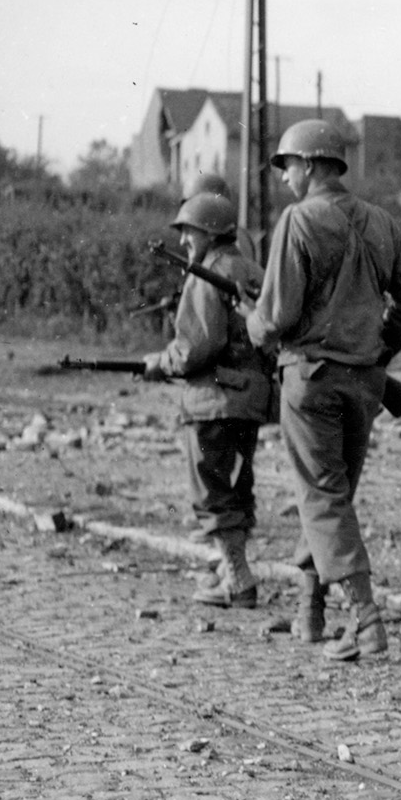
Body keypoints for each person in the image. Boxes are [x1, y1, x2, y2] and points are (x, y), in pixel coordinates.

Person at [245, 119, 401, 662]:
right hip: (365, 385)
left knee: (322, 497)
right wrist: (375, 351)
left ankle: (367, 621)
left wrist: (252, 325)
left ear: (309, 164)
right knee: (332, 497)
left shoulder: (298, 220)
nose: (284, 178)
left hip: (311, 381)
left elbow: (277, 315)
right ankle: (311, 610)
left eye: (287, 166)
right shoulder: (381, 221)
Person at [141, 192, 272, 608]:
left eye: (189, 232)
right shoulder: (254, 269)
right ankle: (228, 571)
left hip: (212, 400)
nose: (183, 243)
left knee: (211, 491)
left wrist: (161, 362)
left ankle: (238, 578)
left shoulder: (207, 272)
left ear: (210, 232)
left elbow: (197, 345)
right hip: (250, 401)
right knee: (237, 486)